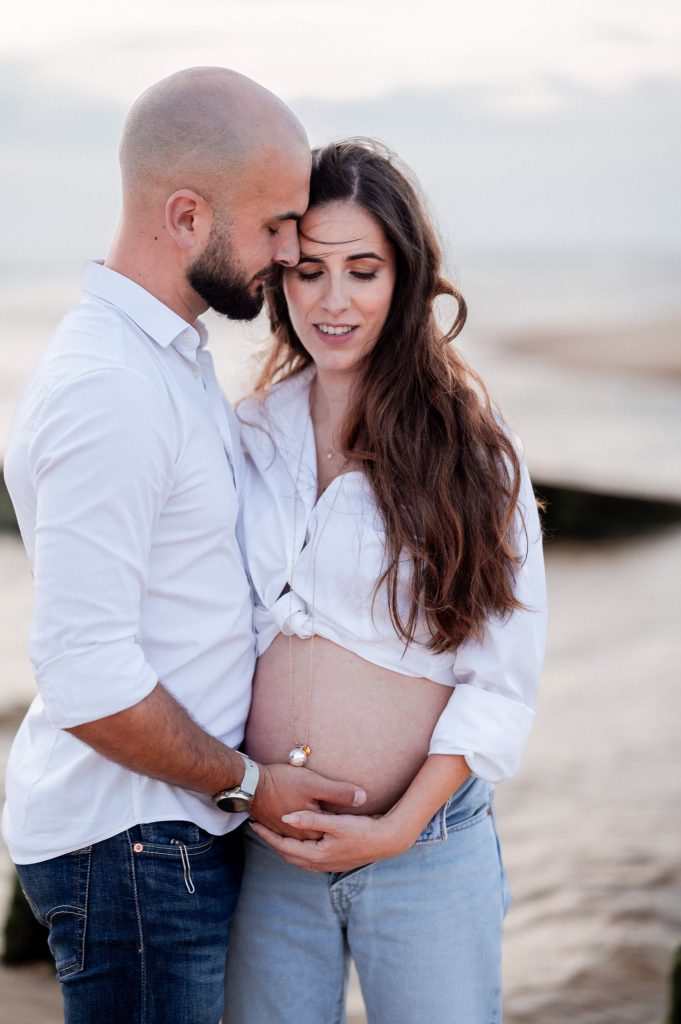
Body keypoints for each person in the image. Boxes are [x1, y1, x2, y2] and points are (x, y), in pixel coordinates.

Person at [2, 70, 368, 1024]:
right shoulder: (110, 391)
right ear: (184, 213)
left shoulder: (169, 359)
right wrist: (250, 784)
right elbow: (86, 677)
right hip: (132, 848)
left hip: (162, 833)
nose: (291, 254)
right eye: (275, 225)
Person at [224, 139, 548, 1023]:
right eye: (308, 271)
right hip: (265, 854)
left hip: (425, 856)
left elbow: (502, 672)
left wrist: (396, 826)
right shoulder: (247, 434)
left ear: (405, 280)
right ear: (276, 280)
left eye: (362, 272)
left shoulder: (473, 451)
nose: (332, 302)